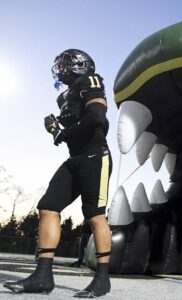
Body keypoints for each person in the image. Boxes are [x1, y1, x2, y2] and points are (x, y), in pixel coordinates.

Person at [4, 49, 113, 298]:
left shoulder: (90, 81)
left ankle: (103, 279)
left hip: (95, 156)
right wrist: (56, 129)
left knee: (95, 216)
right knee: (48, 206)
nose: (60, 69)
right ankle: (43, 276)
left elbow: (97, 117)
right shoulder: (64, 97)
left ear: (80, 65)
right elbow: (72, 130)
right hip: (75, 158)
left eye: (65, 64)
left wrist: (64, 132)